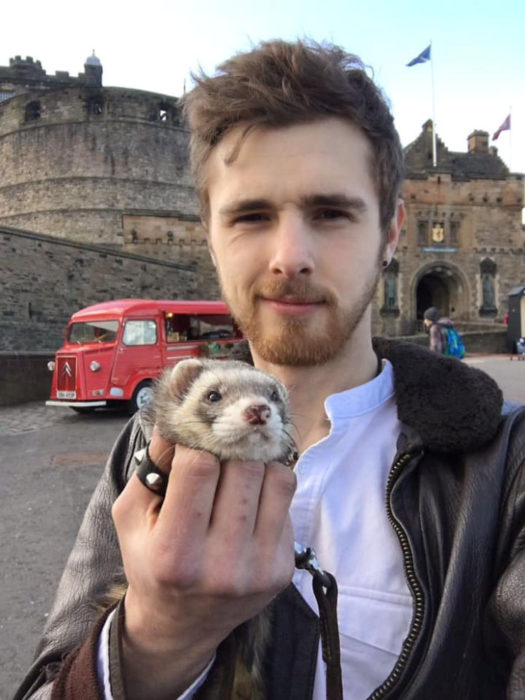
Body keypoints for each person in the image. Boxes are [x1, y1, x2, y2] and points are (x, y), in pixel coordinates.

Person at [16, 40, 525, 700]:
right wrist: (156, 638)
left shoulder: (507, 468)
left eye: (330, 212)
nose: (291, 255)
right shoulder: (148, 445)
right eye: (252, 215)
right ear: (207, 230)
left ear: (392, 230)